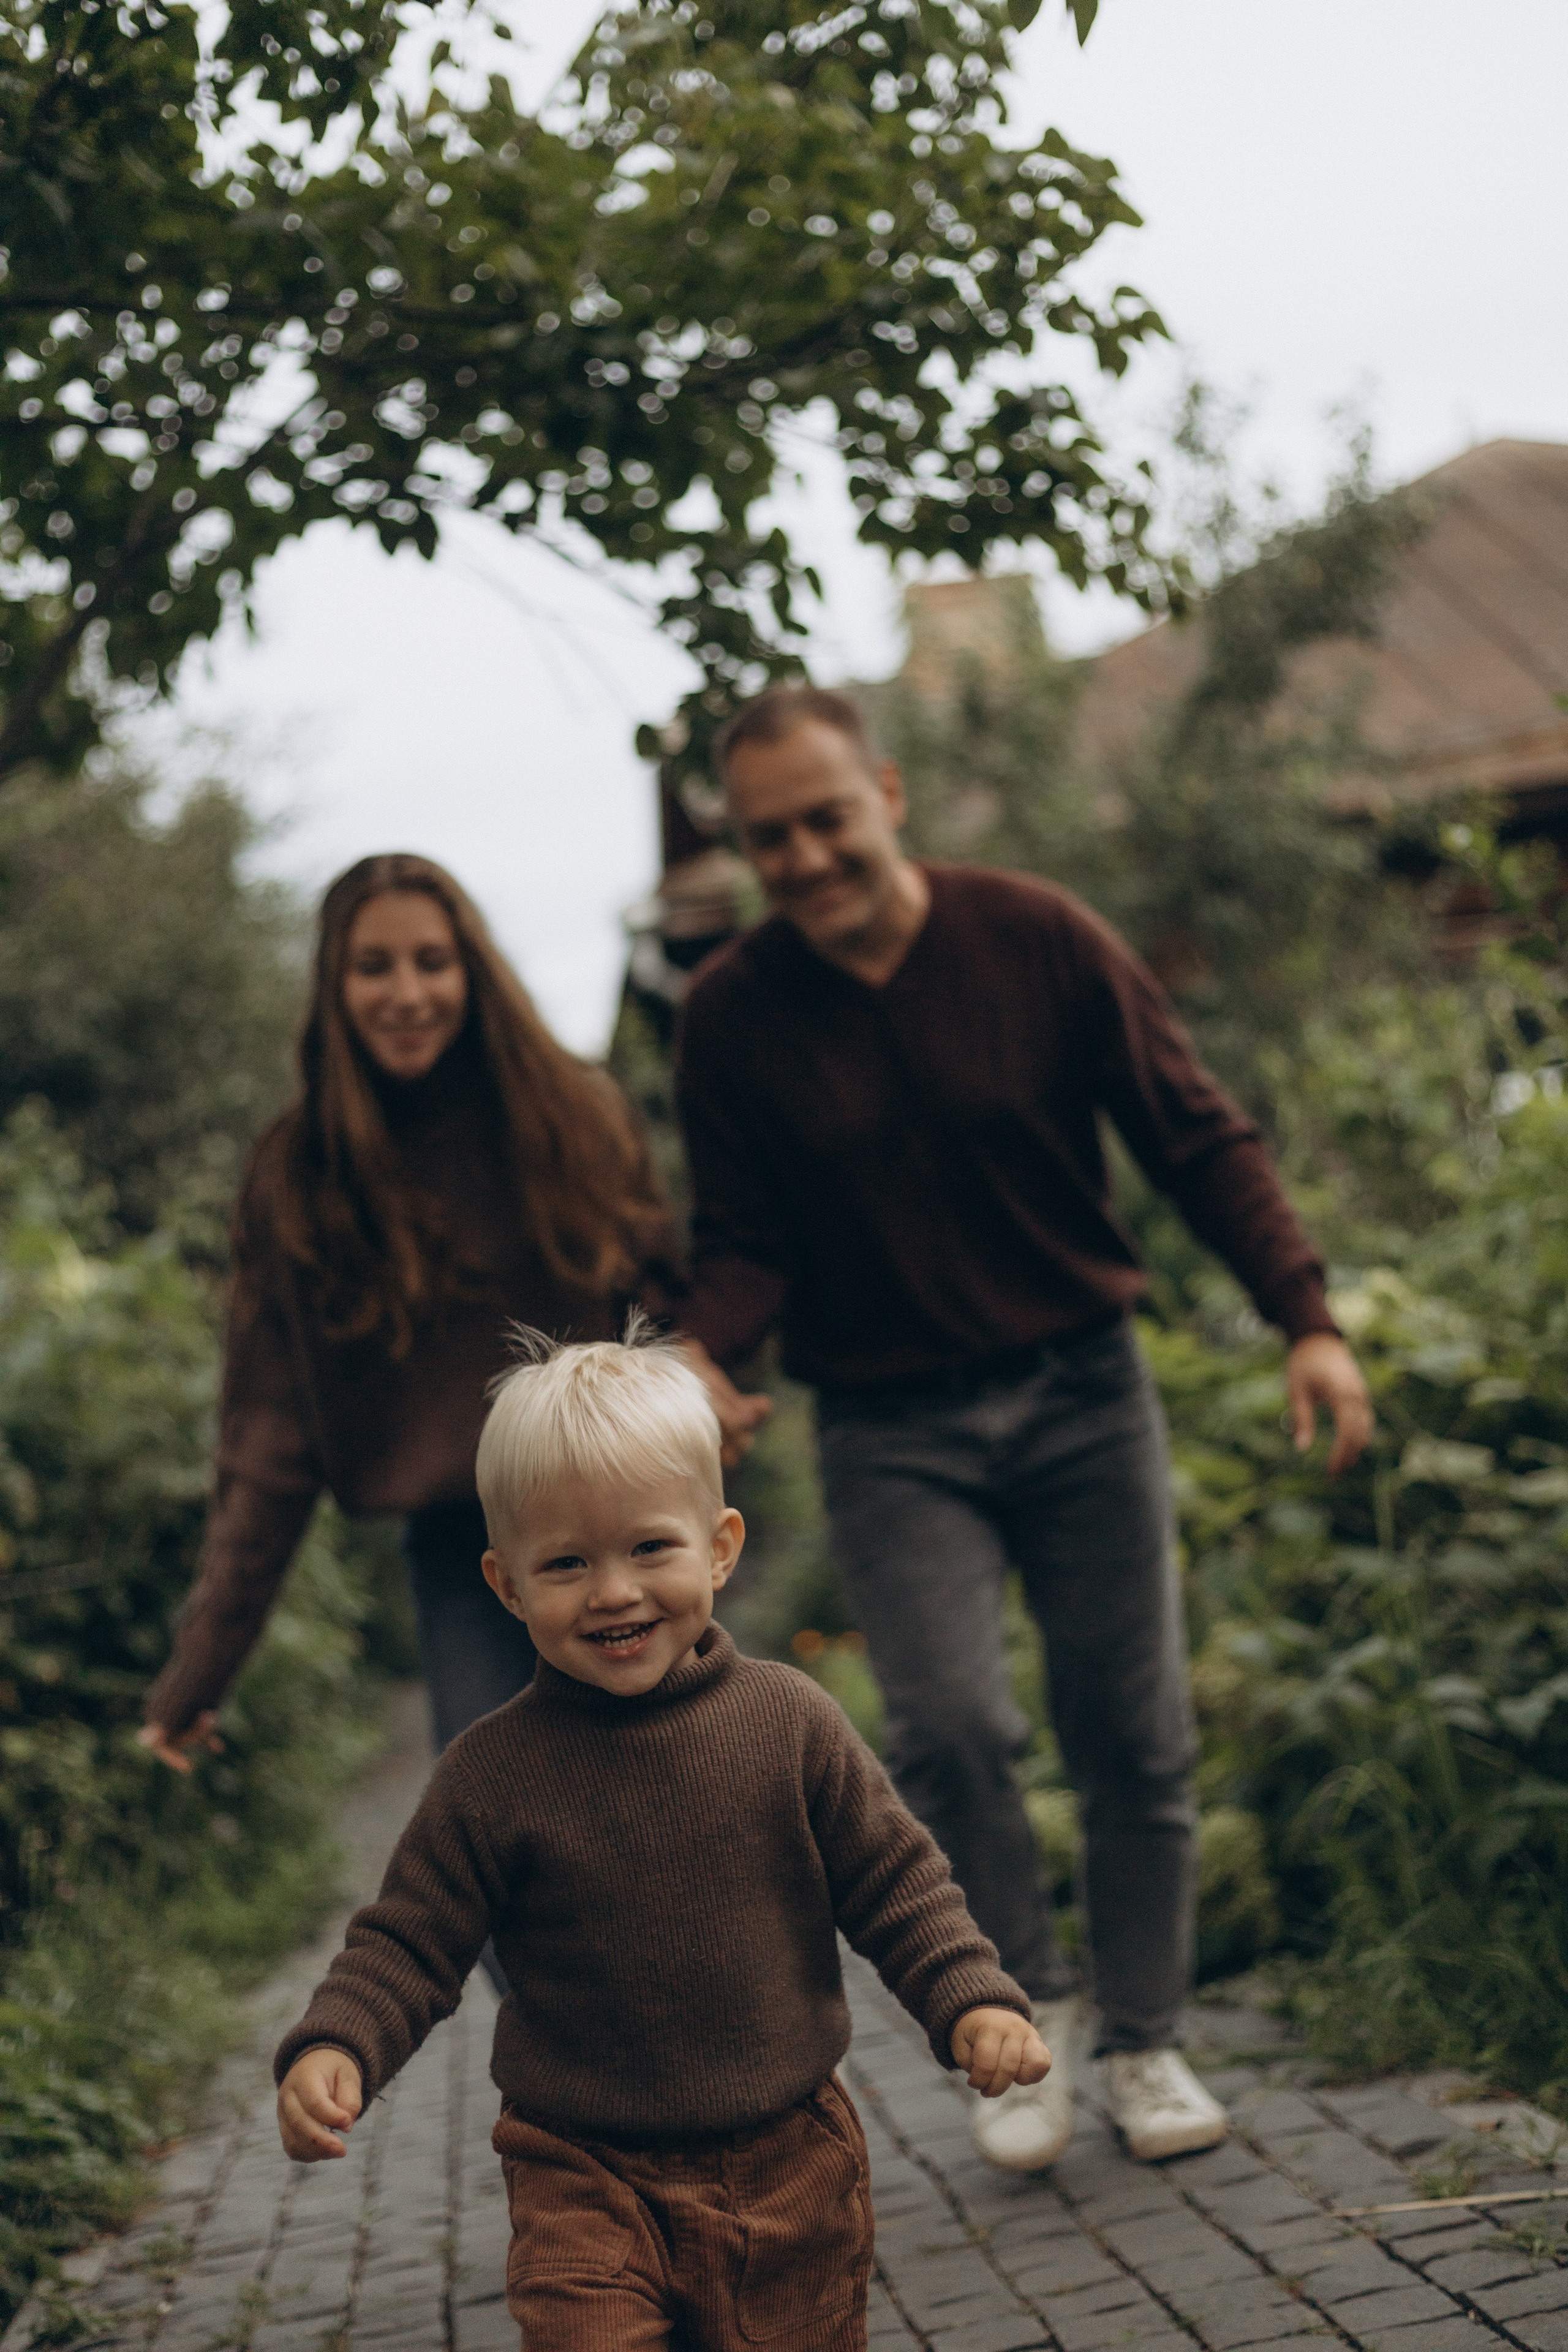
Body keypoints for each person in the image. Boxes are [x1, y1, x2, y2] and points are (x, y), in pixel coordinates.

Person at [673, 685, 1374, 2174]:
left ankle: (1145, 2043)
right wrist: (689, 1365)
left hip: (1078, 1391)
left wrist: (1303, 1314)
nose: (800, 858)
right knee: (951, 1733)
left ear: (890, 793)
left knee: (1131, 1732)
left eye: (825, 819)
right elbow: (740, 1243)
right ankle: (1015, 2029)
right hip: (886, 1426)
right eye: (766, 837)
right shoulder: (730, 1017)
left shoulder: (1037, 937)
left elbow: (1193, 1134)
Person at [273, 1328, 1049, 2351]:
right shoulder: (492, 1774)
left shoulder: (789, 1724)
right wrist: (338, 2041)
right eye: (566, 1562)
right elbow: (410, 1938)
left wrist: (972, 1997)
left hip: (789, 2164)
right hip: (579, 2165)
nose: (612, 1590)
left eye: (649, 1547)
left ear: (719, 1548)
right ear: (507, 1586)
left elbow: (897, 1885)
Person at [141, 852, 697, 1777]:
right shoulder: (302, 1177)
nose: (407, 993)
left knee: (671, 1819)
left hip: (623, 1516)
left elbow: (667, 1308)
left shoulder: (576, 1117)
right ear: (334, 983)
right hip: (465, 1548)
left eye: (432, 962)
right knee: (494, 1835)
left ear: (471, 971)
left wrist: (710, 1407)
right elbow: (268, 1447)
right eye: (374, 967)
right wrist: (200, 1671)